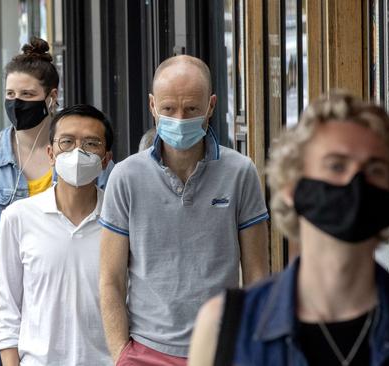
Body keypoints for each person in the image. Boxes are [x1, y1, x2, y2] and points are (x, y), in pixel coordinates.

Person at [189, 92, 389, 366]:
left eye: (375, 169)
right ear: (291, 186)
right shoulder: (224, 326)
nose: (355, 181)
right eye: (336, 165)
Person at [0, 37, 111, 365]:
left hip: (69, 310)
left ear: (51, 97)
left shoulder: (80, 154)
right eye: (10, 95)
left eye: (27, 95)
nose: (17, 103)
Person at [99, 55, 270, 365]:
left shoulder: (240, 172)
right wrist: (120, 354)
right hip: (146, 352)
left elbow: (257, 272)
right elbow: (111, 278)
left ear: (211, 105)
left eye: (191, 108)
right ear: (152, 106)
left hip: (223, 348)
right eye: (168, 109)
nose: (179, 118)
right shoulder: (125, 177)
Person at [0, 104, 113, 365]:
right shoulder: (19, 217)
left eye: (92, 143)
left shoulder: (119, 222)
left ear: (105, 159)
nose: (78, 152)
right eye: (67, 142)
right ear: (50, 153)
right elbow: (7, 308)